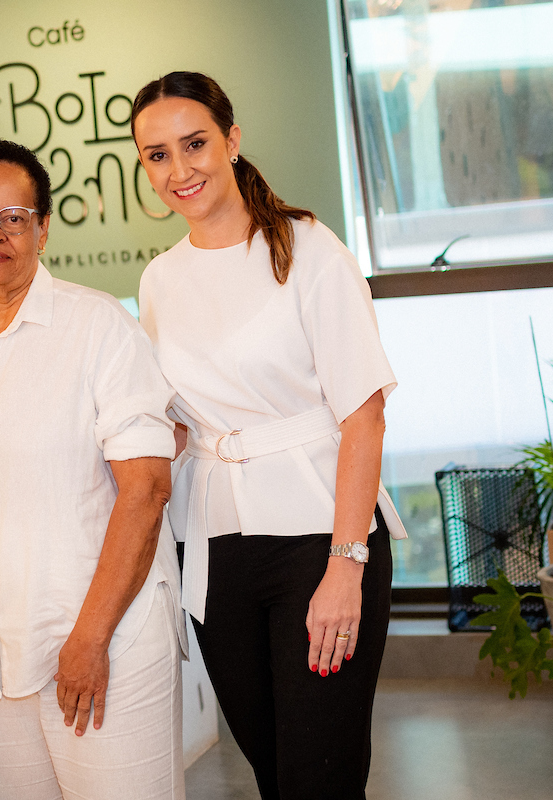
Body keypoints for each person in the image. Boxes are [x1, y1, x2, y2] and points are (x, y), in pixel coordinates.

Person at [131, 72, 408, 800]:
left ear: (231, 139)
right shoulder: (160, 280)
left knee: (321, 772)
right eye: (157, 155)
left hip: (322, 537)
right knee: (273, 769)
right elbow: (180, 422)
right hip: (216, 549)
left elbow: (363, 414)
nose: (179, 170)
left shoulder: (309, 249)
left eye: (194, 145)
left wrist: (346, 565)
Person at [0, 138, 186, 800]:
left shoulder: (98, 327)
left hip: (106, 645)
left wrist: (90, 638)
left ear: (43, 226)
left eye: (13, 216)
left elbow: (147, 487)